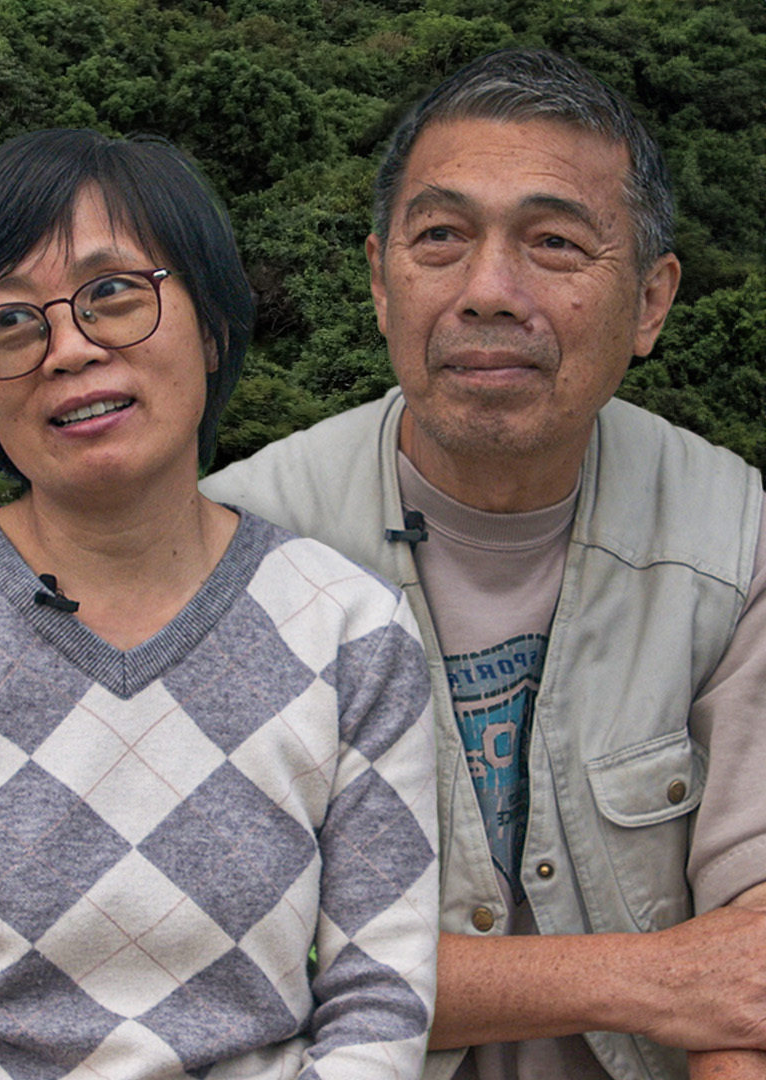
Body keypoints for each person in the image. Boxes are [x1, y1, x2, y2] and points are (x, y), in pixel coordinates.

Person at [0, 129, 440, 1079]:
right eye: (9, 325)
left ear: (209, 323)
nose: (69, 349)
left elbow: (381, 1002)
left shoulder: (350, 631)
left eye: (113, 293)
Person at [200, 48, 766, 1080]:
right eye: (443, 238)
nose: (489, 291)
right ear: (382, 283)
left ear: (650, 301)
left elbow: (751, 956)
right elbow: (219, 970)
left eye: (553, 242)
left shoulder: (734, 533)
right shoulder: (234, 549)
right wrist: (650, 979)